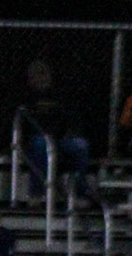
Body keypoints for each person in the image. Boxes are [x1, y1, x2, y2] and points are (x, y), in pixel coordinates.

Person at [20, 59, 93, 201]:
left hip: (60, 139)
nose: (41, 77)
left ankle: (79, 192)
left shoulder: (60, 96)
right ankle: (37, 193)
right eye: (36, 74)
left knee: (80, 145)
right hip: (36, 140)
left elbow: (71, 120)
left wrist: (68, 133)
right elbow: (24, 125)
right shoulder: (26, 98)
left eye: (43, 73)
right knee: (40, 144)